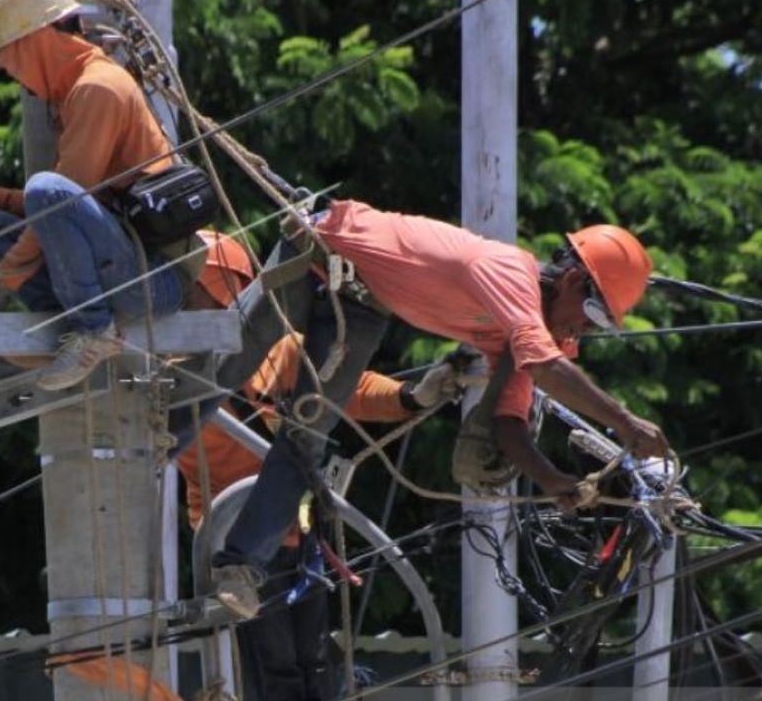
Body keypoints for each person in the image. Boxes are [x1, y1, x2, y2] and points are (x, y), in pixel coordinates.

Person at [197, 201, 668, 619]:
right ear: (570, 280)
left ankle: (240, 566)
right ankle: (149, 444)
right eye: (596, 312)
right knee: (227, 365)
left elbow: (508, 423)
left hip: (363, 305)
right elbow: (543, 367)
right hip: (320, 253)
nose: (589, 328)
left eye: (603, 323)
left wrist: (550, 480)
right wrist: (626, 424)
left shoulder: (523, 338)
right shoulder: (507, 272)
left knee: (308, 436)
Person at [176, 230, 461, 699]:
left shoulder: (276, 354)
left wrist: (413, 396)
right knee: (276, 675)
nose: (180, 300)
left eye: (190, 286)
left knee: (317, 670)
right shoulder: (165, 371)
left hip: (292, 532)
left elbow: (346, 387)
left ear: (225, 287)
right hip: (230, 544)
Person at [0, 0, 205, 391]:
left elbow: (59, 200)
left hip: (153, 281)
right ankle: (72, 320)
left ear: (32, 43)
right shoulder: (75, 92)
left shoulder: (97, 88)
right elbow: (66, 210)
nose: (14, 77)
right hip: (117, 264)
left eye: (8, 61)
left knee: (46, 190)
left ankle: (94, 331)